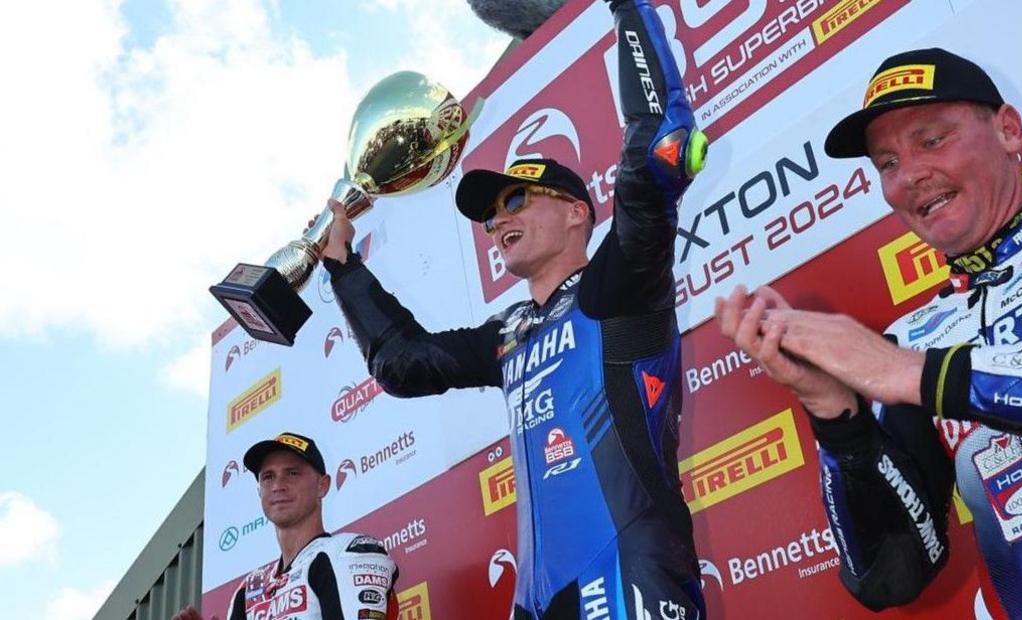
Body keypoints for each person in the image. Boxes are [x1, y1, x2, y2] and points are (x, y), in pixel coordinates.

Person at [319, 1, 708, 617]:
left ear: (577, 211)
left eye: (518, 199)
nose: (499, 221)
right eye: (491, 214)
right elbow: (402, 362)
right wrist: (343, 269)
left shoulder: (620, 286)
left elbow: (663, 142)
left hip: (628, 577)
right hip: (533, 600)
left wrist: (629, 7)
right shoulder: (509, 337)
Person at [716, 47, 1022, 619]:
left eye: (931, 140)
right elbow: (892, 576)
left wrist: (917, 375)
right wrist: (836, 416)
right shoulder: (917, 337)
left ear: (1009, 130)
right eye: (887, 163)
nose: (911, 176)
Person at [172, 433, 398, 620]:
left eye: (292, 473)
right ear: (259, 491)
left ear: (323, 485)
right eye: (268, 477)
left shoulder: (347, 554)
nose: (278, 485)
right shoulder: (249, 589)